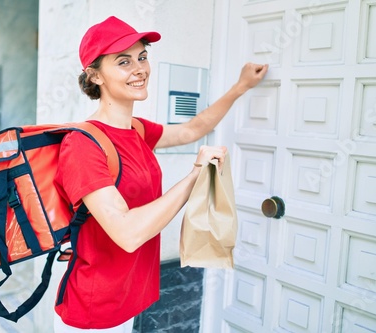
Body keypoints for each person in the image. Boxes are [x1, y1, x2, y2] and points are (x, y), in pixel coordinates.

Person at [53, 16, 268, 332]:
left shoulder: (137, 130)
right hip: (94, 310)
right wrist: (194, 177)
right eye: (123, 62)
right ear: (95, 75)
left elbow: (193, 129)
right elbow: (127, 233)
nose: (139, 68)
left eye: (142, 57)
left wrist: (240, 87)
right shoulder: (83, 145)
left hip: (130, 298)